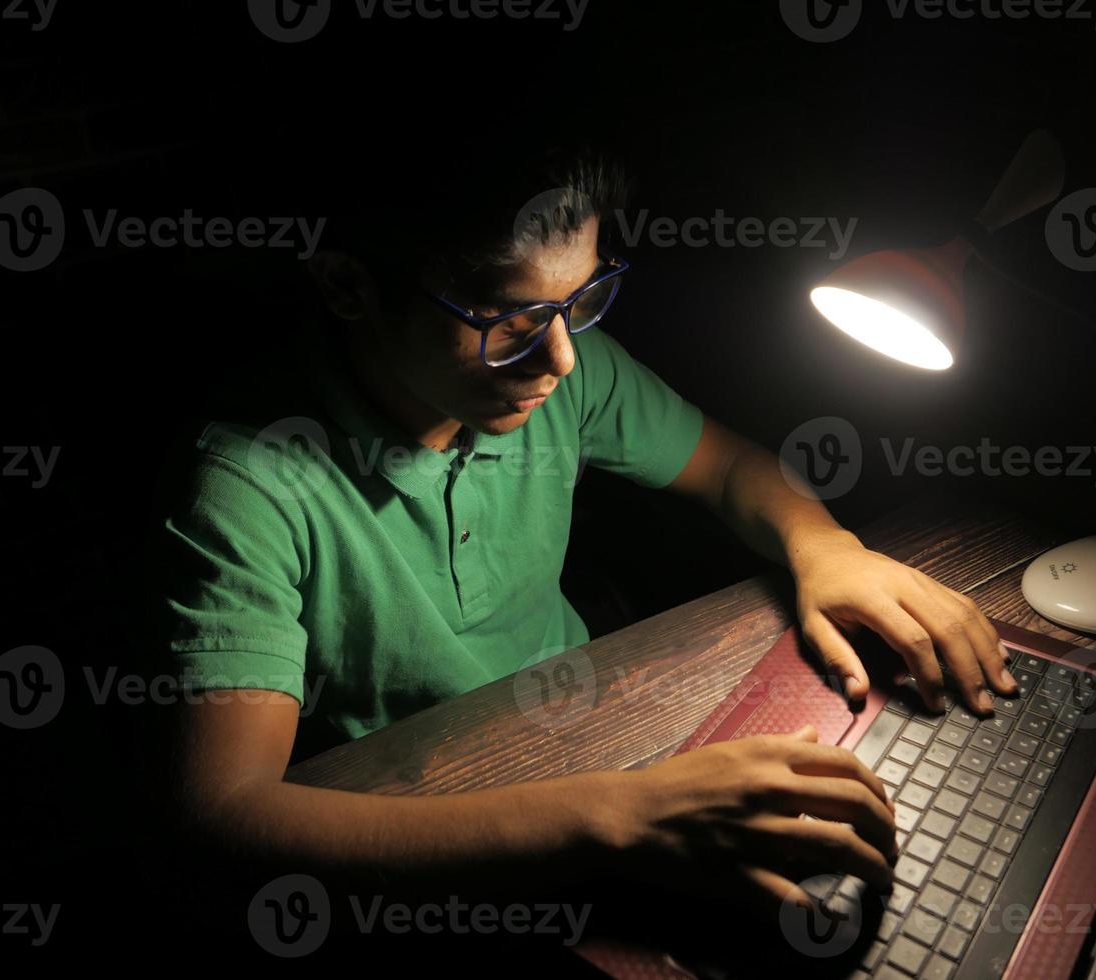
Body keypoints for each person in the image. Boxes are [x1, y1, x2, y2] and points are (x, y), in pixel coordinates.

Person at [151, 138, 1021, 924]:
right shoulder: (246, 479)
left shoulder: (560, 368)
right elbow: (228, 815)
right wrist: (616, 818)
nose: (560, 359)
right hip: (418, 833)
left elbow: (727, 466)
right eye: (510, 324)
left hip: (586, 728)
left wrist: (826, 548)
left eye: (583, 300)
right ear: (348, 284)